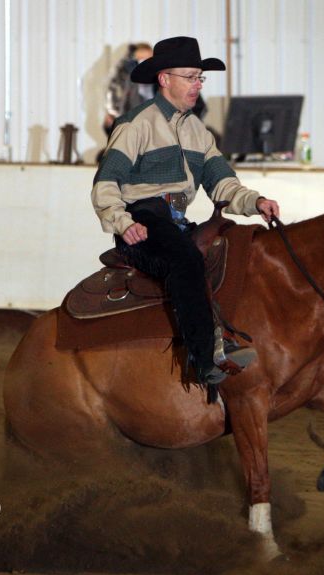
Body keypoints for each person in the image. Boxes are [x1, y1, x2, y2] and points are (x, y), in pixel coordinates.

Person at [91, 36, 280, 386]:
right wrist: (123, 221)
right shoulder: (136, 125)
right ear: (165, 79)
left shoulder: (199, 132)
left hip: (175, 222)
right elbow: (105, 183)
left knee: (241, 248)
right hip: (142, 221)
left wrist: (254, 202)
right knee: (185, 259)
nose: (198, 85)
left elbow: (223, 183)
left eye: (200, 78)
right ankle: (204, 357)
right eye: (191, 77)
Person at [103, 43, 154, 138]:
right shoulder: (122, 82)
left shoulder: (158, 83)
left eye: (149, 60)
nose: (144, 65)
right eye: (141, 60)